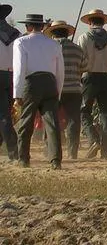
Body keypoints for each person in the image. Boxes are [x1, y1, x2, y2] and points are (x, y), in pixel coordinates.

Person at [12, 13, 64, 169]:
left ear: (28, 27)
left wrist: (17, 94)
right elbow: (60, 71)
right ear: (42, 27)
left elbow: (19, 69)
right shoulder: (54, 44)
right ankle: (55, 160)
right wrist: (58, 91)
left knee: (26, 122)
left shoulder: (21, 42)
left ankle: (24, 159)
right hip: (50, 82)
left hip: (31, 83)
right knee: (52, 124)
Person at [77, 8, 107, 160]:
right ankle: (106, 151)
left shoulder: (83, 37)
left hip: (89, 77)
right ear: (103, 22)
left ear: (89, 22)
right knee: (106, 114)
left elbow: (80, 61)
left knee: (84, 111)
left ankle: (94, 140)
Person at [44, 20, 86, 160]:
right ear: (68, 33)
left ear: (52, 34)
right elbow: (84, 67)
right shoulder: (77, 49)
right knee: (73, 121)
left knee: (51, 120)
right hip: (74, 89)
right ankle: (72, 152)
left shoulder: (49, 49)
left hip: (54, 89)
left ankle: (50, 150)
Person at [0, 3, 20, 162]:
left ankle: (14, 152)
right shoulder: (17, 34)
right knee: (5, 113)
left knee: (4, 116)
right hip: (12, 75)